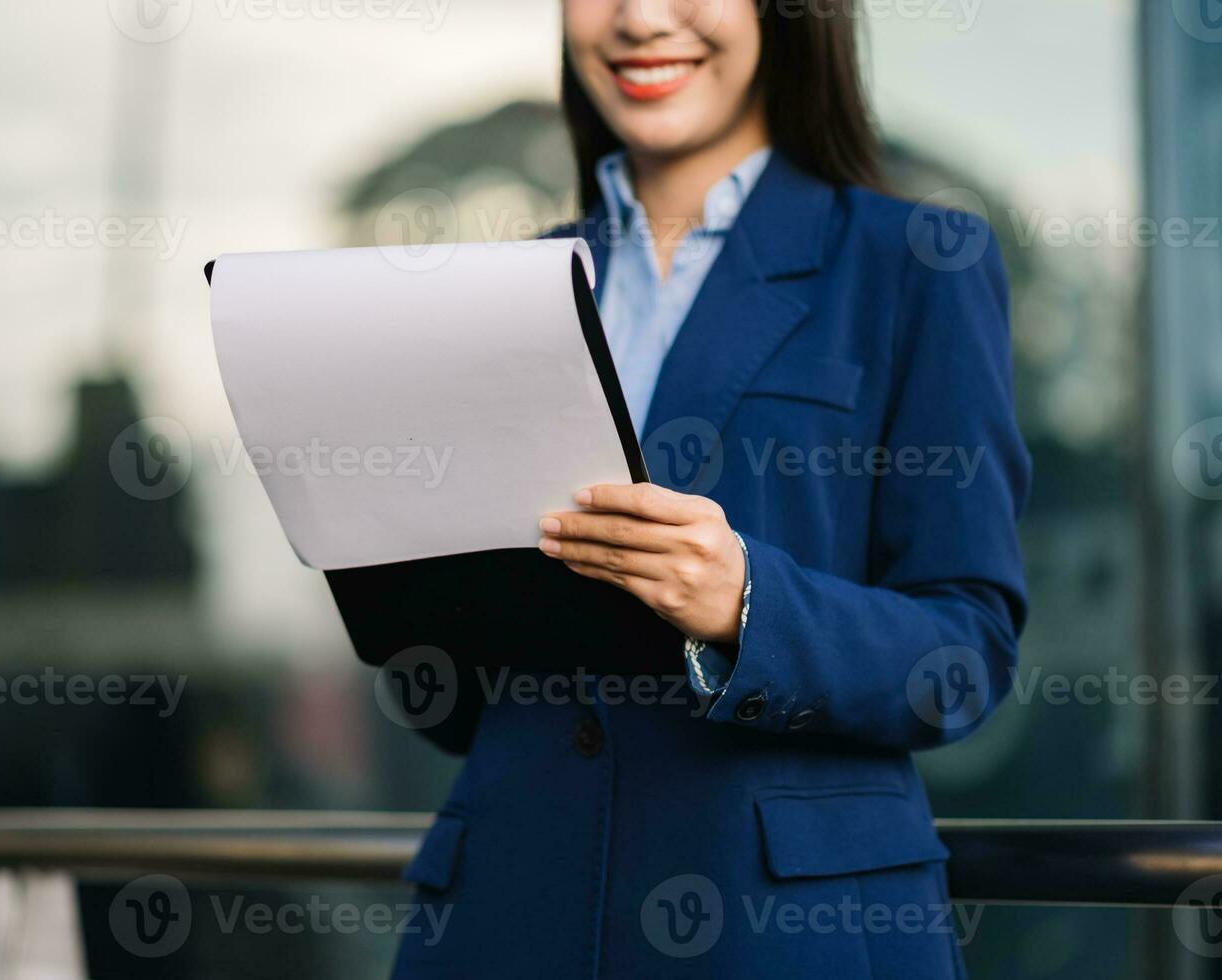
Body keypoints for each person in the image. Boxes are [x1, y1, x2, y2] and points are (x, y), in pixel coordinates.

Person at [391, 1, 1029, 976]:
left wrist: (746, 604)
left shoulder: (911, 266)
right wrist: (391, 564)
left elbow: (962, 652)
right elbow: (450, 704)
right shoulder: (489, 289)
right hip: (508, 911)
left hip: (772, 925)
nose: (642, 17)